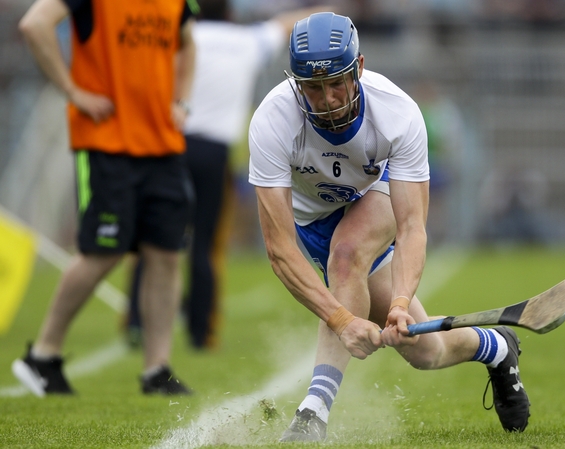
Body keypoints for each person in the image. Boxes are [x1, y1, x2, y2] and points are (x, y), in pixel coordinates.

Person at [249, 12, 533, 442]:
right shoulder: (272, 121)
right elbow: (279, 250)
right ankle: (495, 347)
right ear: (296, 84)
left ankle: (312, 413)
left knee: (346, 256)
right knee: (426, 352)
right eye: (312, 87)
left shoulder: (397, 113)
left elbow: (412, 225)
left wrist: (400, 299)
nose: (325, 99)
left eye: (336, 84)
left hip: (372, 195)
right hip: (312, 224)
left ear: (358, 69)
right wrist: (344, 320)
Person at [124, 0, 334, 351]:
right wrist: (328, 9)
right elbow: (283, 25)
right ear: (230, 12)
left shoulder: (180, 33)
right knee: (206, 244)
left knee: (155, 239)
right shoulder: (245, 41)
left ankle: (136, 322)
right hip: (214, 155)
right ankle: (200, 330)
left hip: (170, 143)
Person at [11, 0, 197, 396]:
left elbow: (187, 43)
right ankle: (43, 356)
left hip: (163, 145)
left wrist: (181, 101)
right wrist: (72, 91)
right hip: (107, 145)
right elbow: (34, 24)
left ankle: (157, 370)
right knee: (103, 251)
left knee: (165, 253)